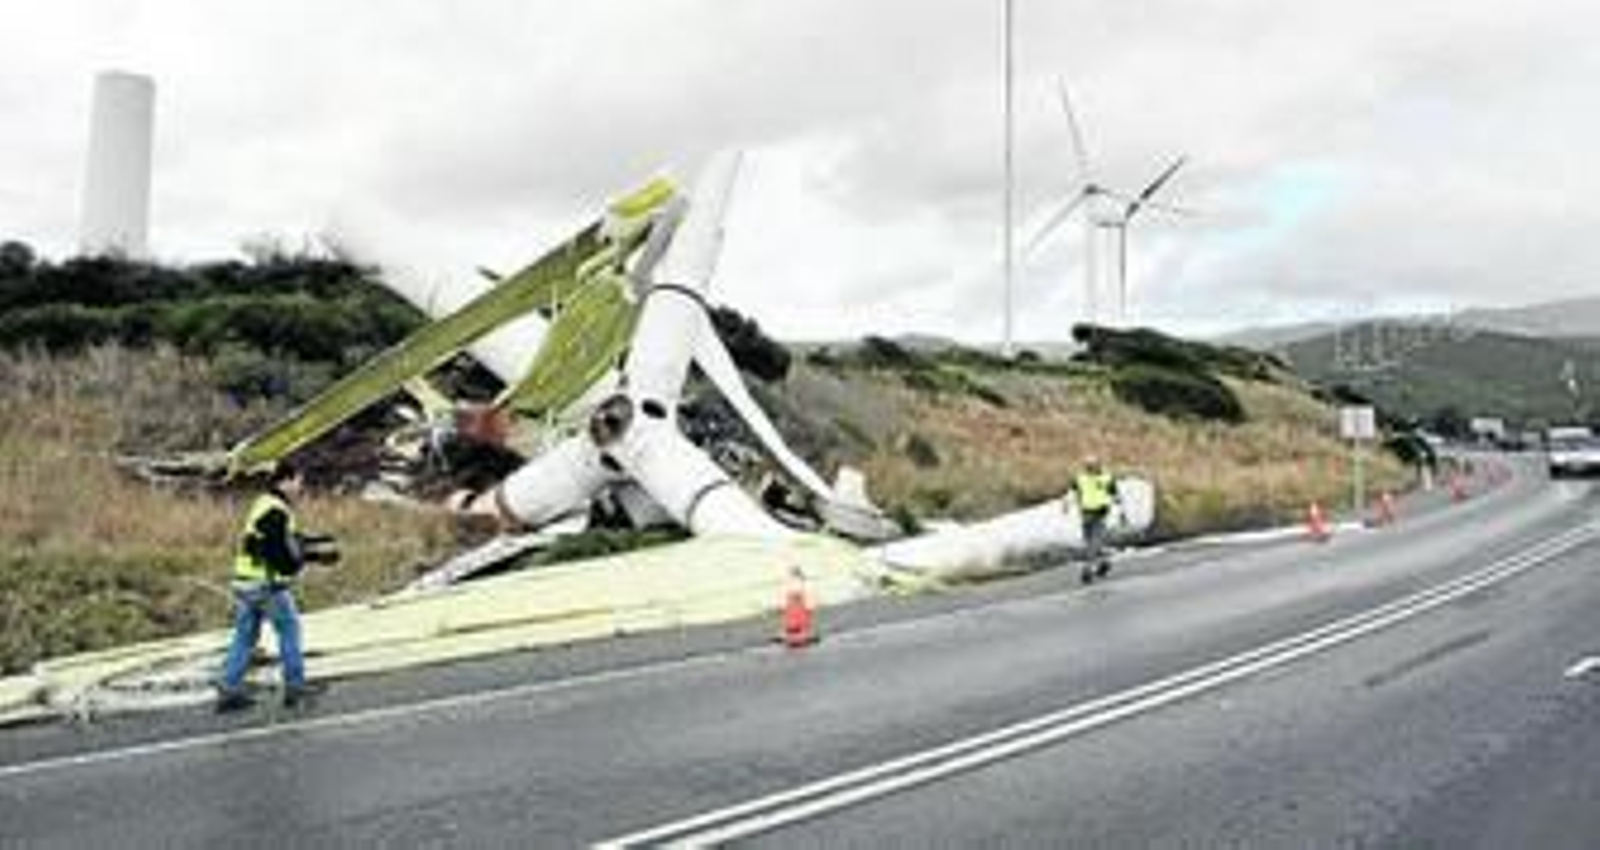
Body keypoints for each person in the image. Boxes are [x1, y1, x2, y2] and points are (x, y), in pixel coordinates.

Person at [216, 460, 338, 712]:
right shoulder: (277, 510)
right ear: (286, 480)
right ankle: (295, 688)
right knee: (289, 630)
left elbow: (284, 539)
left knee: (245, 636)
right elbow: (278, 551)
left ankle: (228, 689)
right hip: (266, 585)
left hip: (245, 582)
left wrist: (314, 542)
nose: (300, 487)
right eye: (298, 482)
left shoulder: (265, 504)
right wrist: (310, 560)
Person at [1067, 456, 1121, 585]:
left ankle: (1087, 570)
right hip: (1086, 513)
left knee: (1094, 542)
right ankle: (1103, 562)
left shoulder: (1106, 478)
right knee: (1089, 542)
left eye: (1092, 465)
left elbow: (1115, 495)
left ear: (1098, 466)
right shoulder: (1081, 479)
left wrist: (1121, 511)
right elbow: (1072, 492)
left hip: (1100, 513)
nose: (1090, 468)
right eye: (1088, 466)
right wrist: (1066, 503)